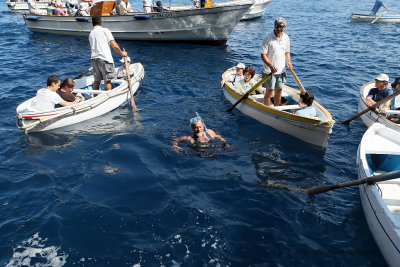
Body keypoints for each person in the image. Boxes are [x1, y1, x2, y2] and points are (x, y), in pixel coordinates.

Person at [89, 15, 127, 91]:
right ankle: (107, 96)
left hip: (94, 59)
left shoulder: (91, 33)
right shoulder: (105, 30)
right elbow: (114, 45)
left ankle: (95, 96)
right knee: (107, 82)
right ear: (101, 23)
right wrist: (122, 53)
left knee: (96, 81)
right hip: (105, 59)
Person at [261, 17, 293, 107]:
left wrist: (289, 62)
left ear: (284, 27)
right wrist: (271, 66)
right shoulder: (267, 38)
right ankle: (267, 110)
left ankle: (276, 109)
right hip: (269, 71)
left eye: (281, 27)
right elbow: (263, 55)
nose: (279, 29)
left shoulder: (286, 38)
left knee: (279, 91)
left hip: (281, 71)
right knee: (269, 92)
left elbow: (287, 52)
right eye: (277, 26)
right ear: (274, 26)